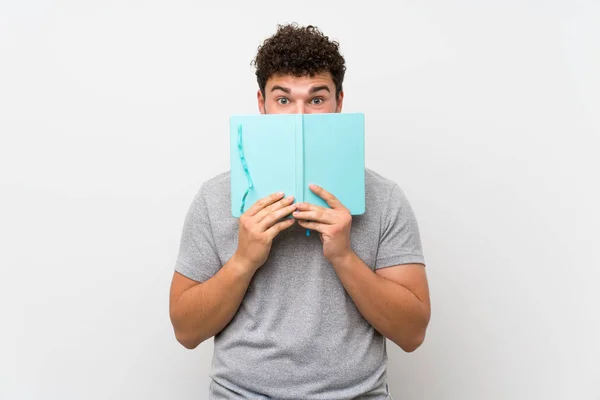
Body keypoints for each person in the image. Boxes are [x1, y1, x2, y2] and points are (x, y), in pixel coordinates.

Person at [169, 23, 431, 399]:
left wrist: (343, 255)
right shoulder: (214, 197)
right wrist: (243, 260)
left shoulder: (384, 197)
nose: (300, 117)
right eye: (283, 100)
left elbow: (413, 333)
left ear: (339, 104)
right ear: (261, 105)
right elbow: (185, 331)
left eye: (316, 99)